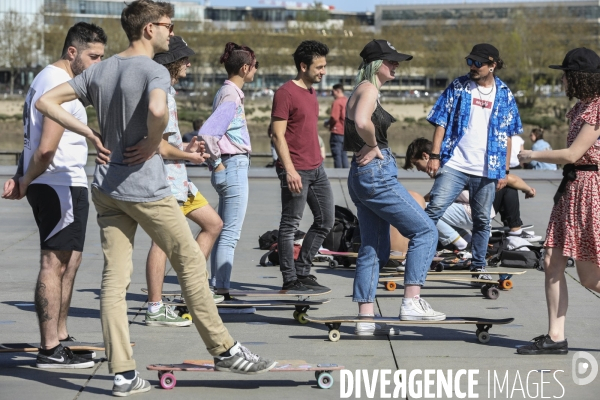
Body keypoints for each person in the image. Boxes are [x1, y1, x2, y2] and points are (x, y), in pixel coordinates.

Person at [35, 1, 275, 396]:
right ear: (149, 29)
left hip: (107, 190)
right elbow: (158, 108)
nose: (171, 30)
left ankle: (124, 375)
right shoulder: (153, 70)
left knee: (114, 281)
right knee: (191, 266)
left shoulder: (101, 69)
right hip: (146, 190)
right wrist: (151, 140)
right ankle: (224, 349)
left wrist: (91, 134)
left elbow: (47, 102)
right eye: (168, 24)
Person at [2, 22, 107, 369]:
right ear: (72, 53)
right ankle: (49, 348)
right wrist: (27, 180)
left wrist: (21, 176)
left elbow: (28, 138)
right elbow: (45, 147)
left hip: (61, 182)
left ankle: (59, 336)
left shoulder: (46, 79)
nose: (98, 64)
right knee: (54, 262)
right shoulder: (58, 83)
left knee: (70, 260)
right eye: (94, 57)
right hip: (57, 182)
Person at [344, 39, 445, 337]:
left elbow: (354, 124)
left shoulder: (357, 90)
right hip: (375, 173)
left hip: (361, 175)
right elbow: (363, 121)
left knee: (374, 247)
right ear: (377, 64)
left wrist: (368, 146)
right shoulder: (369, 88)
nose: (396, 65)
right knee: (426, 230)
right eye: (391, 61)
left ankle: (365, 317)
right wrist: (374, 146)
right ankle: (412, 301)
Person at [517, 47, 600, 355]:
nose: (562, 79)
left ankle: (556, 337)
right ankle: (556, 337)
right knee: (552, 262)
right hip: (572, 189)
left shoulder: (597, 108)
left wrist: (531, 154)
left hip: (588, 189)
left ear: (578, 77)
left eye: (566, 74)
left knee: (590, 278)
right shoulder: (581, 107)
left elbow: (572, 155)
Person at [145, 36, 224, 328]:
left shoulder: (168, 93)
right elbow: (158, 147)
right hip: (166, 181)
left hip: (180, 179)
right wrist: (188, 156)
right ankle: (155, 307)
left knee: (213, 224)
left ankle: (192, 290)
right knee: (162, 242)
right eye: (185, 58)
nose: (189, 63)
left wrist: (187, 149)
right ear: (171, 62)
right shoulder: (160, 94)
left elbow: (169, 143)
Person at [425, 43, 523, 279]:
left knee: (482, 220)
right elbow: (441, 121)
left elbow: (508, 135)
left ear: (493, 65)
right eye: (470, 62)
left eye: (478, 63)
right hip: (455, 164)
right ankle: (419, 256)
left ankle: (478, 265)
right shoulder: (459, 87)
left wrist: (504, 170)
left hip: (487, 168)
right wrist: (435, 156)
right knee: (432, 211)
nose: (473, 67)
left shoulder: (504, 93)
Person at [271, 40, 334, 291]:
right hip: (295, 169)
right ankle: (290, 279)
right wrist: (290, 170)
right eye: (319, 67)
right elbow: (277, 135)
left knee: (325, 221)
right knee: (290, 226)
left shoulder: (311, 91)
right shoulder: (285, 93)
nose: (323, 71)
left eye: (324, 66)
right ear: (303, 66)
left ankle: (303, 271)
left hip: (316, 168)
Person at [198, 42, 257, 311]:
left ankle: (219, 286)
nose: (255, 71)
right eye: (255, 66)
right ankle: (221, 290)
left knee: (223, 231)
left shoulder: (226, 92)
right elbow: (208, 134)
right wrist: (218, 164)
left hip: (229, 167)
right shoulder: (231, 97)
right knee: (230, 233)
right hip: (232, 167)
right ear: (245, 68)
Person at [405, 137, 542, 249]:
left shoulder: (449, 168)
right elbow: (436, 194)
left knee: (426, 212)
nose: (418, 169)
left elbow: (510, 179)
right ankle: (472, 240)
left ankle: (462, 244)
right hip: (481, 211)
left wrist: (528, 189)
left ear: (425, 156)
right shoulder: (450, 163)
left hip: (474, 212)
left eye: (417, 164)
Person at [326, 83, 348, 168]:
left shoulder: (337, 102)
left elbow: (334, 118)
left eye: (333, 91)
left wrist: (328, 124)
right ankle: (346, 176)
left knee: (337, 155)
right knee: (344, 155)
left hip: (337, 131)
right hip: (346, 132)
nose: (332, 94)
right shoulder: (347, 101)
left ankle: (338, 174)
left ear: (338, 91)